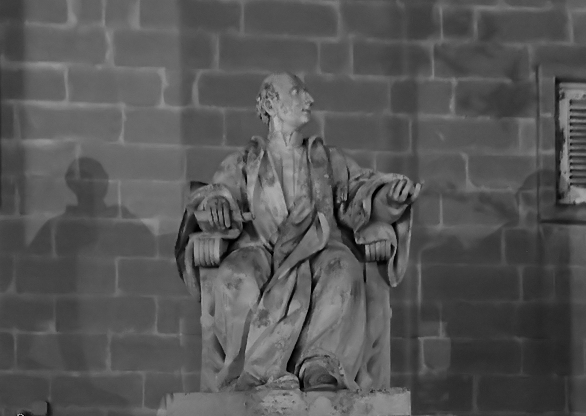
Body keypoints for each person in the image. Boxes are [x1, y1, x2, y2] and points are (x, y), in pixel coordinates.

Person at [176, 72, 421, 391]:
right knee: (235, 277)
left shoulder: (329, 160)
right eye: (297, 92)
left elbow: (361, 197)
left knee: (343, 268)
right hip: (260, 252)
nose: (309, 100)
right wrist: (216, 208)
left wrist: (390, 198)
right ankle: (252, 371)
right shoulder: (245, 163)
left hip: (318, 250)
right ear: (271, 103)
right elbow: (213, 198)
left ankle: (321, 366)